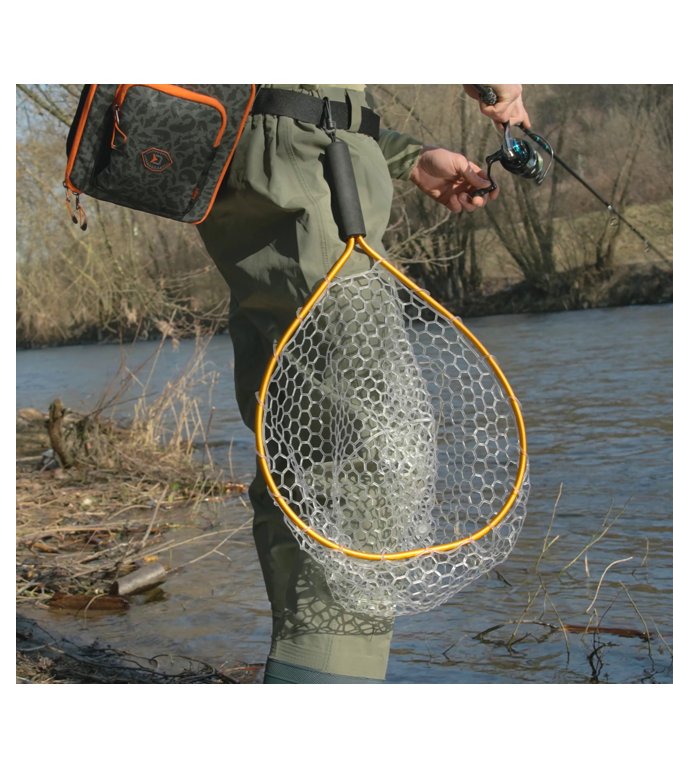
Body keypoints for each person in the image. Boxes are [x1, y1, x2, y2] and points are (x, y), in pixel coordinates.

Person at [197, 84, 531, 684]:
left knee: (306, 447)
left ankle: (307, 676)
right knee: (376, 450)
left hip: (319, 161)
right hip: (303, 168)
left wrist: (401, 154)